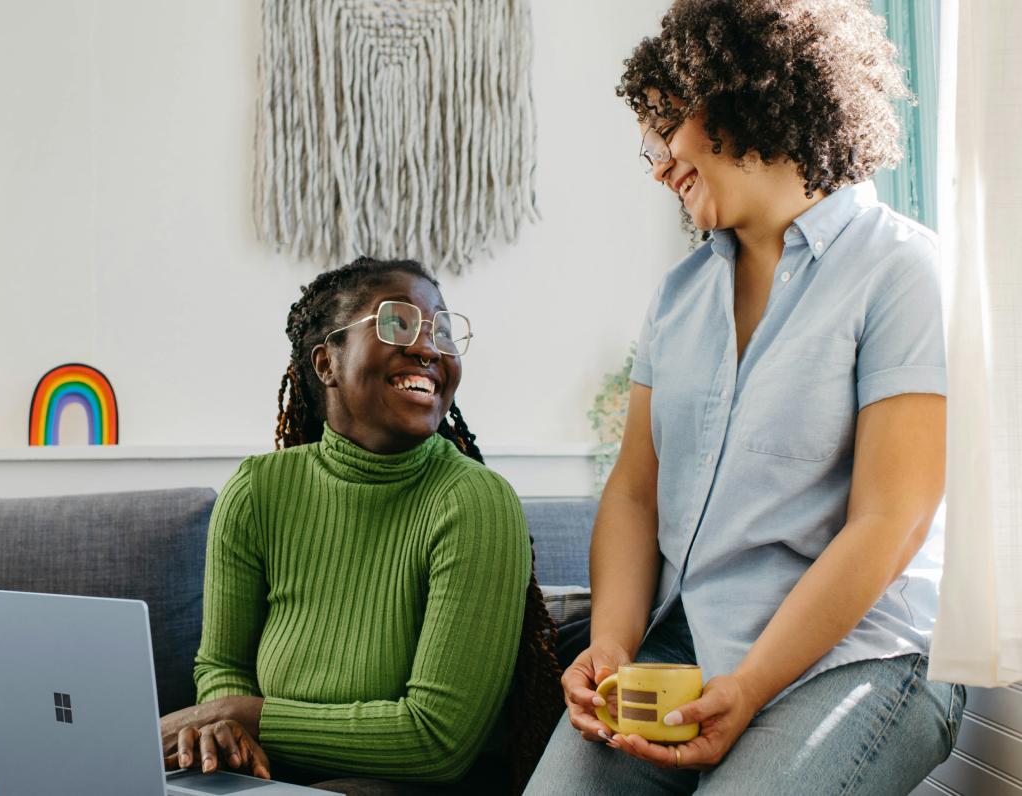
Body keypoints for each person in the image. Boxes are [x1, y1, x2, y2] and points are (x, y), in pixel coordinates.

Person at [526, 1, 965, 793]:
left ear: (743, 95)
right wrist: (615, 647)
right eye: (647, 151)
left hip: (858, 661)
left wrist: (753, 684)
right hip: (683, 651)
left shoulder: (902, 271)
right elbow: (634, 492)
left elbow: (890, 522)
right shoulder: (678, 295)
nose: (659, 166)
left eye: (667, 134)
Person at [161, 257, 565, 794]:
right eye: (397, 323)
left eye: (441, 331)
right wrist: (227, 728)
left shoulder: (474, 501)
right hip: (264, 780)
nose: (428, 348)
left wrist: (250, 716)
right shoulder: (258, 489)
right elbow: (222, 663)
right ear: (327, 363)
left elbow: (438, 742)